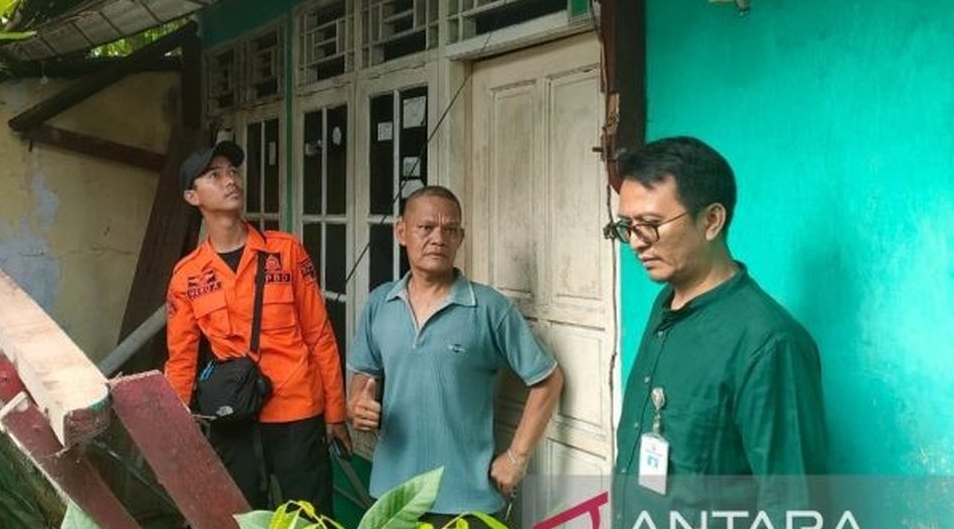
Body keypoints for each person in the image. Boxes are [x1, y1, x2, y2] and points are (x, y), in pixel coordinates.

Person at [607, 136, 828, 527]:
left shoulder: (768, 343)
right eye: (628, 227)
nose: (637, 243)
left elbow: (795, 508)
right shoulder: (666, 303)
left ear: (711, 220)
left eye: (652, 225)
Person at [346, 185, 563, 524]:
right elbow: (364, 374)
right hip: (391, 498)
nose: (438, 238)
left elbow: (548, 380)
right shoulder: (380, 303)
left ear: (461, 238)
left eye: (450, 230)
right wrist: (357, 405)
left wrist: (517, 457)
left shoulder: (489, 308)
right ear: (401, 232)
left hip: (467, 500)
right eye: (426, 227)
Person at [164, 140, 350, 516]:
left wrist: (336, 412)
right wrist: (178, 431)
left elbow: (319, 334)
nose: (230, 180)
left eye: (232, 171)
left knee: (311, 518)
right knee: (241, 516)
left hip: (297, 409)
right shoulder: (188, 276)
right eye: (214, 175)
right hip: (233, 416)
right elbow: (181, 359)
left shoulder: (287, 252)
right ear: (191, 196)